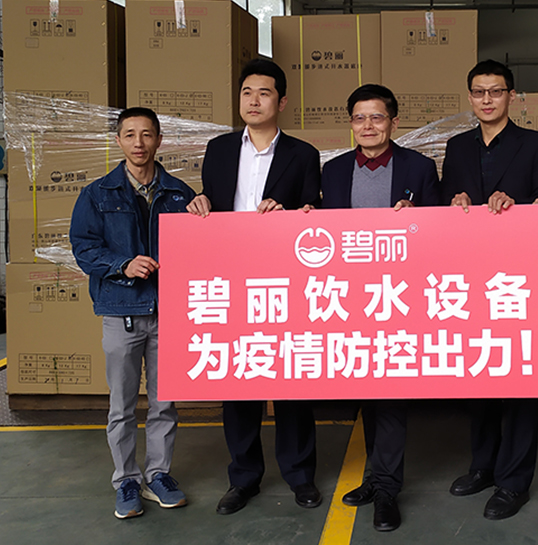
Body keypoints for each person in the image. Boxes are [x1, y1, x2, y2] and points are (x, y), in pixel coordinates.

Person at [186, 58, 323, 515]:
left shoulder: (303, 154)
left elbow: (315, 214)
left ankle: (300, 475)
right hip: (230, 279)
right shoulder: (219, 149)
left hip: (286, 279)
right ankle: (243, 478)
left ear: (281, 102)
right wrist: (200, 203)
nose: (253, 101)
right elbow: (212, 204)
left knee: (291, 380)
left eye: (264, 93)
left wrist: (290, 214)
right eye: (247, 92)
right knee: (239, 380)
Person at [318, 84, 440, 532]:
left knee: (390, 394)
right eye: (359, 117)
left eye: (377, 117)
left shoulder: (419, 168)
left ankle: (387, 488)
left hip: (399, 297)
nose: (368, 126)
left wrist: (417, 216)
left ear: (393, 121)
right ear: (350, 123)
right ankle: (375, 477)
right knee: (366, 391)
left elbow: (442, 232)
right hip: (350, 298)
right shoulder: (333, 171)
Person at [441, 60, 538, 520]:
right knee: (482, 372)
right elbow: (444, 203)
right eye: (478, 91)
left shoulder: (536, 145)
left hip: (520, 278)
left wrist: (519, 203)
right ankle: (483, 466)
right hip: (470, 277)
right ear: (470, 97)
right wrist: (455, 202)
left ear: (512, 96)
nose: (486, 99)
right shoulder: (457, 146)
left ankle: (514, 481)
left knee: (521, 380)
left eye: (495, 91)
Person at [70, 107, 194, 519]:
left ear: (159, 140)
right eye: (129, 134)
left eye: (146, 134)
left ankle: (158, 475)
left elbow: (200, 247)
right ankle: (126, 480)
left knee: (164, 403)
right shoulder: (97, 194)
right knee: (122, 406)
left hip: (168, 312)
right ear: (118, 140)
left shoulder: (180, 194)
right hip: (121, 310)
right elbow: (84, 248)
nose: (138, 143)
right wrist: (123, 264)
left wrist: (203, 209)